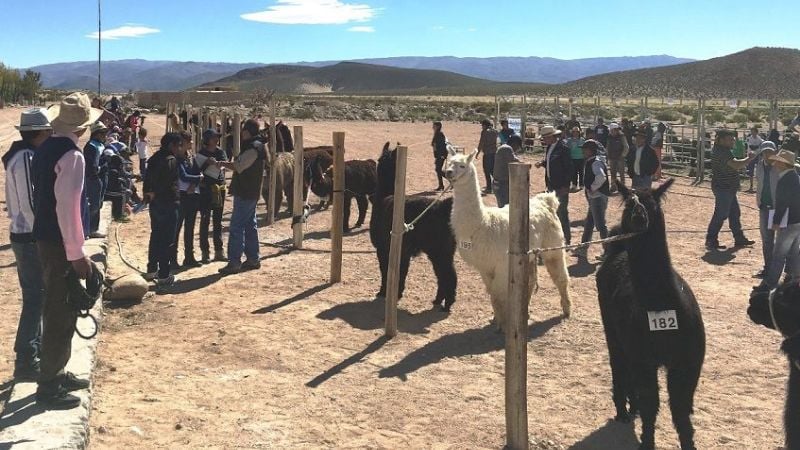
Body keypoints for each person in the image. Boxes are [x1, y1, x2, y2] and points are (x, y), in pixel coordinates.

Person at [30, 92, 99, 409]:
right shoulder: (72, 157)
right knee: (60, 311)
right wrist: (77, 255)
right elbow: (68, 209)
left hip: (47, 238)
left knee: (63, 306)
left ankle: (57, 371)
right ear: (83, 128)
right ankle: (49, 386)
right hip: (60, 243)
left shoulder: (46, 150)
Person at [3, 109, 52, 381]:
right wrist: (43, 232)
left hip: (27, 234)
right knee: (35, 299)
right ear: (40, 133)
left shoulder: (24, 155)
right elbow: (30, 203)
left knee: (38, 297)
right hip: (29, 235)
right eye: (48, 132)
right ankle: (26, 359)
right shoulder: (25, 159)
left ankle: (34, 352)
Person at [218, 119, 266, 275]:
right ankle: (253, 258)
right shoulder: (256, 146)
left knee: (237, 226)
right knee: (249, 226)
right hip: (249, 191)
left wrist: (222, 163)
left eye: (244, 131)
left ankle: (234, 262)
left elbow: (239, 166)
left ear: (248, 132)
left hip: (246, 192)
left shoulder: (254, 148)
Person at [755, 150, 800, 291]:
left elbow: (782, 203)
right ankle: (792, 279)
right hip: (797, 220)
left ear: (782, 163)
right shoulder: (795, 177)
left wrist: (776, 221)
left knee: (779, 253)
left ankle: (771, 282)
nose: (775, 163)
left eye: (778, 161)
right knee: (793, 251)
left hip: (789, 221)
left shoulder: (785, 180)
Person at [705, 129, 756, 251]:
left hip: (727, 187)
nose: (733, 141)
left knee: (734, 213)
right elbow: (736, 165)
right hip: (724, 187)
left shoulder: (722, 150)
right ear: (721, 140)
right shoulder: (722, 152)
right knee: (721, 214)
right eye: (730, 139)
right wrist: (749, 159)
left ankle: (739, 237)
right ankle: (711, 239)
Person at [143, 132, 182, 285]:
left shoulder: (153, 158)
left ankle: (151, 269)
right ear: (171, 145)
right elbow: (165, 183)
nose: (179, 149)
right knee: (167, 240)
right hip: (168, 203)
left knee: (156, 235)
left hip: (155, 204)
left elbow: (147, 179)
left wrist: (148, 194)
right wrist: (156, 192)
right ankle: (164, 275)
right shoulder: (170, 160)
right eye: (178, 145)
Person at [535, 125, 573, 244]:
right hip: (551, 185)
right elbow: (550, 161)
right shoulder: (550, 147)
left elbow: (569, 168)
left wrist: (566, 186)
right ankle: (557, 237)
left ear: (551, 136)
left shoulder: (563, 148)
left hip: (561, 186)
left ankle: (566, 238)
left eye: (545, 138)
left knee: (562, 212)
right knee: (554, 211)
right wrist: (542, 163)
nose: (543, 140)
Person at [197, 128, 228, 264]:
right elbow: (197, 169)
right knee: (205, 221)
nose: (216, 139)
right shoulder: (201, 154)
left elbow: (224, 165)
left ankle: (219, 251)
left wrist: (217, 164)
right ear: (207, 140)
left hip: (219, 190)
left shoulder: (220, 152)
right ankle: (205, 252)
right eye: (213, 137)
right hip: (205, 190)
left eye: (217, 137)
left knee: (217, 221)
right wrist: (206, 163)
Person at [577, 139, 610, 260]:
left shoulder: (595, 162)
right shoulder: (593, 161)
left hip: (598, 197)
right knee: (590, 223)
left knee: (600, 225)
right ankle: (583, 247)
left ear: (590, 151)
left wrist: (592, 187)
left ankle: (608, 251)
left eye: (585, 149)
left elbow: (601, 177)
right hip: (595, 197)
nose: (583, 151)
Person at [174, 131, 203, 268]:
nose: (191, 143)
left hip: (192, 195)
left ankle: (189, 257)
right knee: (176, 228)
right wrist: (197, 179)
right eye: (189, 141)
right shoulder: (177, 158)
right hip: (181, 196)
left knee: (190, 227)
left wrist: (194, 183)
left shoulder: (191, 157)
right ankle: (172, 259)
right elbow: (183, 175)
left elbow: (198, 172)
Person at [753, 141, 780, 279]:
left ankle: (784, 272)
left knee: (783, 241)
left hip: (779, 208)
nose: (768, 154)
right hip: (764, 207)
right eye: (765, 152)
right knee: (767, 241)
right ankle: (768, 268)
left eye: (770, 151)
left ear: (775, 152)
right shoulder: (759, 166)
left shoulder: (781, 167)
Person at [83, 121, 109, 238]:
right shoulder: (91, 146)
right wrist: (102, 166)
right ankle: (90, 229)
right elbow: (92, 167)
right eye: (103, 133)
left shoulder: (100, 145)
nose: (105, 135)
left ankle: (93, 228)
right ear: (96, 134)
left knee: (98, 203)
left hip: (101, 177)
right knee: (93, 204)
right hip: (93, 179)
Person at [492, 135, 522, 207]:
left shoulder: (504, 148)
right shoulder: (507, 148)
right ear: (515, 143)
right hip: (502, 184)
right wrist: (525, 165)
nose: (517, 149)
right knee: (506, 208)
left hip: (500, 183)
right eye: (518, 147)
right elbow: (515, 161)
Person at [476, 119, 498, 194]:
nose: (482, 127)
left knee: (486, 171)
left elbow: (481, 143)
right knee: (493, 170)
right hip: (494, 153)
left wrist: (477, 152)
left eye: (482, 125)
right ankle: (497, 185)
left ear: (485, 125)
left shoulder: (485, 132)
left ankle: (489, 188)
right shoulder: (495, 131)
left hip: (487, 153)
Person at [606, 122, 629, 192]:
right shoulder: (609, 136)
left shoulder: (622, 136)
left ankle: (623, 187)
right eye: (611, 130)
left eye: (613, 130)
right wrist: (608, 155)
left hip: (620, 158)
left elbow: (626, 147)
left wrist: (622, 155)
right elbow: (607, 146)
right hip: (612, 157)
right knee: (613, 173)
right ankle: (613, 186)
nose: (612, 131)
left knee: (621, 173)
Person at [565, 127, 585, 192]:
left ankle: (581, 185)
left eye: (577, 132)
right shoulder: (569, 140)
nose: (575, 133)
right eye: (574, 132)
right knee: (574, 172)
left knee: (581, 172)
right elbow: (567, 149)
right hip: (573, 158)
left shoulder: (582, 140)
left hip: (581, 158)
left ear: (579, 132)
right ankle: (574, 184)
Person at [745, 127, 764, 192]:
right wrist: (758, 146)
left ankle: (758, 187)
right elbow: (751, 147)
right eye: (751, 132)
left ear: (756, 132)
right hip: (751, 156)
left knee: (758, 172)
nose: (752, 133)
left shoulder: (759, 139)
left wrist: (758, 147)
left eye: (753, 132)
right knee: (751, 171)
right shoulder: (750, 138)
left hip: (757, 156)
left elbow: (760, 146)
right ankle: (751, 186)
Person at [431, 121, 448, 191]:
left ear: (438, 126)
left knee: (438, 169)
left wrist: (442, 155)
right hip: (438, 155)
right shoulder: (437, 134)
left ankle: (450, 180)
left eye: (434, 126)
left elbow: (442, 146)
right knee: (438, 169)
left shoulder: (440, 134)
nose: (432, 127)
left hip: (441, 155)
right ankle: (441, 185)